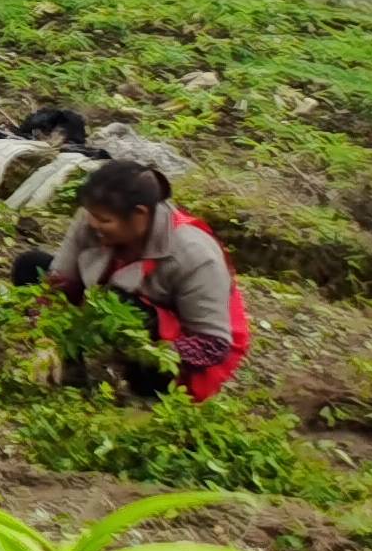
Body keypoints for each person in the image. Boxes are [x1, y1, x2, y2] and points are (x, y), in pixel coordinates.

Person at [22, 158, 249, 402]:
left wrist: (144, 353)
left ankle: (142, 389)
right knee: (29, 267)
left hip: (177, 342)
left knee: (122, 303)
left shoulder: (194, 254)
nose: (93, 224)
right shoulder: (93, 220)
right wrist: (46, 337)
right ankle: (71, 371)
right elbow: (60, 282)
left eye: (105, 220)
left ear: (140, 215)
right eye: (91, 215)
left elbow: (212, 345)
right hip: (109, 304)